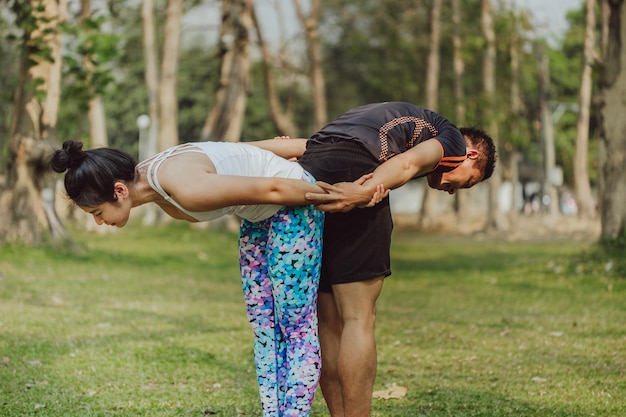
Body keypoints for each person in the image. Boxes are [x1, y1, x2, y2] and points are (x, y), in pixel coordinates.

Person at [49, 139, 383, 417]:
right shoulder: (150, 173)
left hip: (292, 206)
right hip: (258, 219)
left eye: (97, 213)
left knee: (294, 328)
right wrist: (280, 148)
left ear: (119, 190)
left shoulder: (184, 187)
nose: (99, 222)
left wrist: (346, 195)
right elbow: (230, 150)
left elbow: (274, 187)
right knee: (264, 325)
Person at [258, 101, 497, 417]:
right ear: (472, 156)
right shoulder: (451, 138)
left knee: (327, 322)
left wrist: (238, 151)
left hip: (310, 176)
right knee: (358, 318)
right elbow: (409, 164)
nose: (453, 191)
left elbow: (311, 144)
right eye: (466, 182)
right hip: (357, 176)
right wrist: (365, 190)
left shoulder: (385, 118)